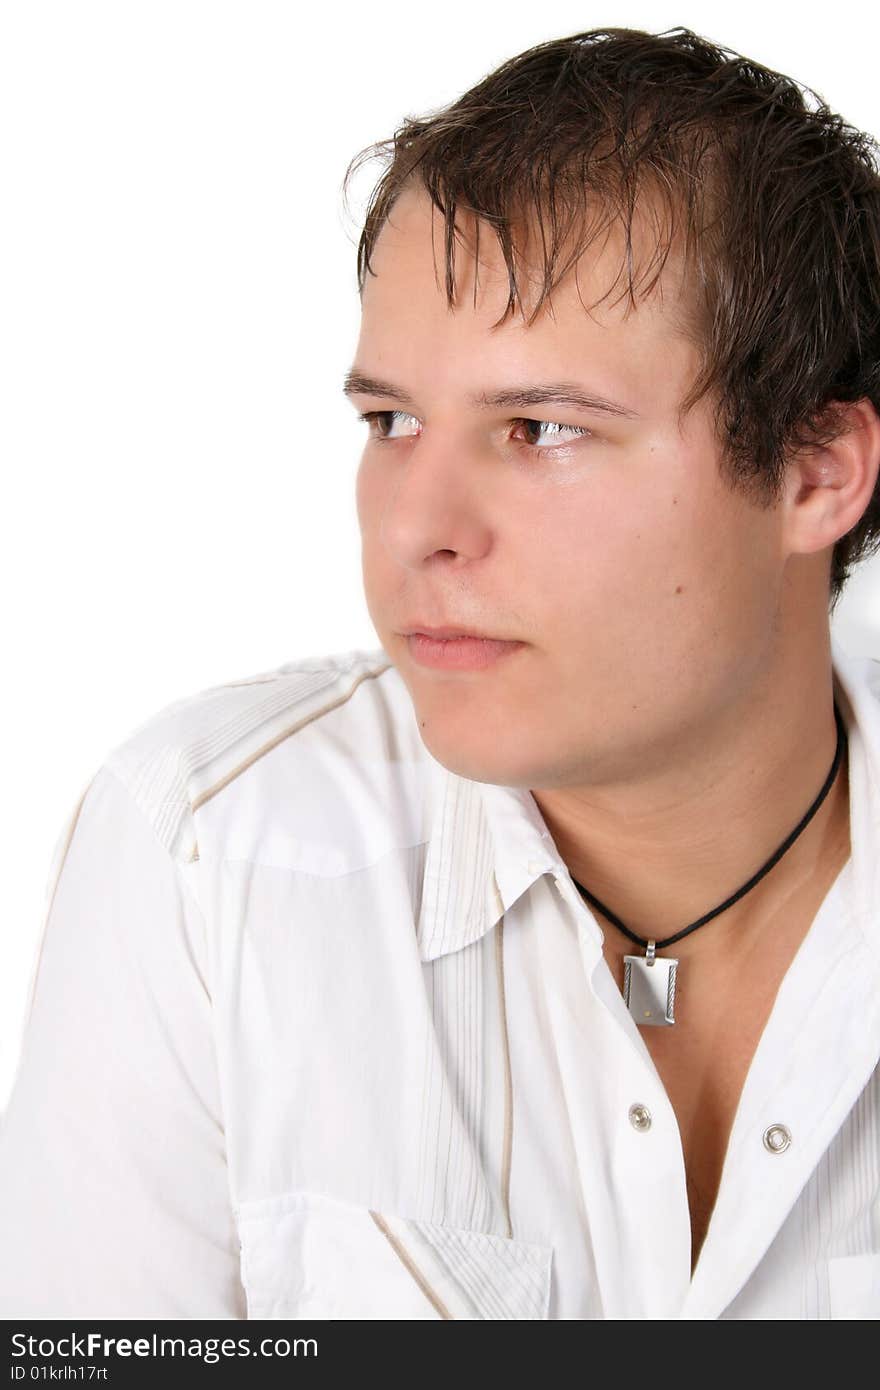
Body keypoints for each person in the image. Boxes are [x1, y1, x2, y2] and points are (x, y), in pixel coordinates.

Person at [1, 24, 879, 1321]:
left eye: (540, 429)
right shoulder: (208, 853)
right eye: (391, 422)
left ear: (816, 471)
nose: (418, 525)